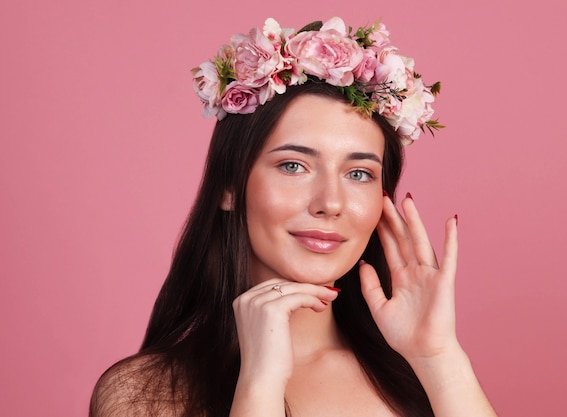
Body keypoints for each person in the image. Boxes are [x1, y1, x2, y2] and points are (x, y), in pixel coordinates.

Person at [90, 17, 497, 417]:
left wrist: (439, 358)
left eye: (359, 174)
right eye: (293, 166)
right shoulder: (144, 394)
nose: (330, 203)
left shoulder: (423, 374)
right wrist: (260, 384)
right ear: (229, 186)